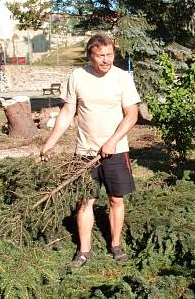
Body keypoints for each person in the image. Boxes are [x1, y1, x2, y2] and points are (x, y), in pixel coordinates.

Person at [40, 33, 141, 266]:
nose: (106, 60)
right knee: (84, 201)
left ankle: (115, 245)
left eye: (110, 55)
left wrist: (113, 141)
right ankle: (84, 250)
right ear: (90, 56)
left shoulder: (122, 78)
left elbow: (132, 115)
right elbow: (67, 113)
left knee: (116, 199)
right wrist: (50, 143)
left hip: (115, 151)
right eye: (100, 56)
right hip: (84, 151)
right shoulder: (77, 76)